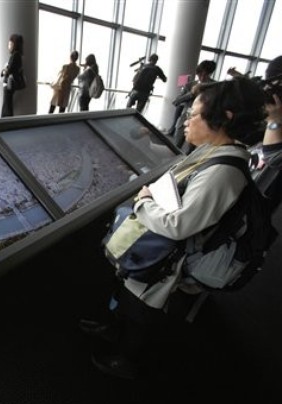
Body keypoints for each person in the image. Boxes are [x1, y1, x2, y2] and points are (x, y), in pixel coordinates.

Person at [80, 77, 267, 380]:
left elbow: (179, 225)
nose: (184, 121)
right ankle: (113, 330)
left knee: (141, 307)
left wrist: (143, 203)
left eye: (193, 114)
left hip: (167, 259)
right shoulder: (212, 152)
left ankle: (126, 359)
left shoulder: (223, 172)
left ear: (224, 118)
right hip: (158, 248)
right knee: (127, 291)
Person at [171, 60, 217, 152]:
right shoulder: (190, 85)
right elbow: (176, 101)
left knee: (191, 149)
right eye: (200, 74)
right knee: (175, 146)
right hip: (186, 117)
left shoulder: (215, 87)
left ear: (210, 73)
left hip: (202, 120)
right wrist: (191, 93)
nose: (202, 77)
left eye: (205, 75)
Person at [1, 33, 24, 117]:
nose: (8, 45)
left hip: (9, 84)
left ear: (14, 44)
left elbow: (9, 70)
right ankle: (7, 123)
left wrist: (3, 71)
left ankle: (5, 124)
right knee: (8, 106)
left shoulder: (15, 55)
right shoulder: (18, 55)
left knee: (7, 106)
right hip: (11, 84)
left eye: (10, 43)